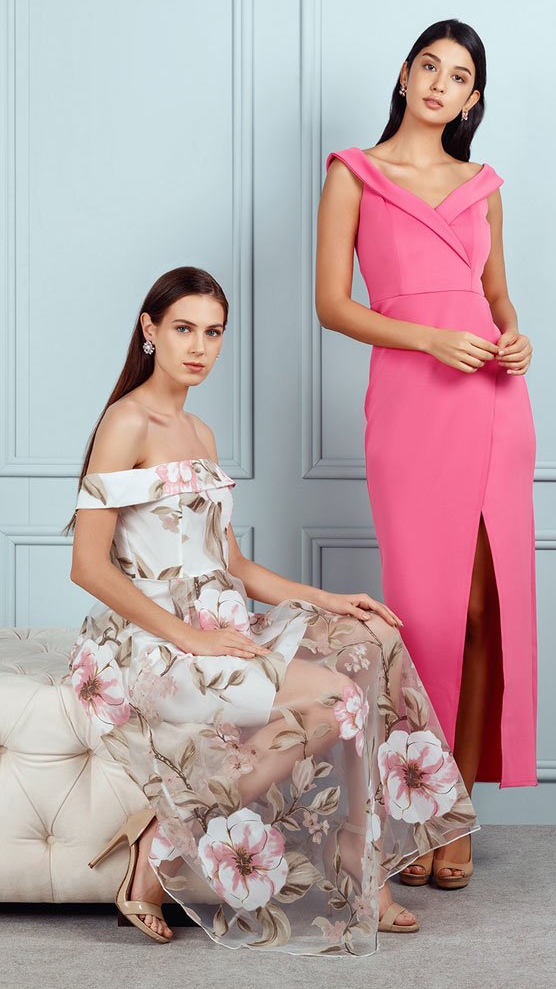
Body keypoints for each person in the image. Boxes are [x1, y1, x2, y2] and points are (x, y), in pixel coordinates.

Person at [65, 266, 477, 955]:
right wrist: (192, 640)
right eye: (183, 329)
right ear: (149, 331)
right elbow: (87, 566)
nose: (199, 347)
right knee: (341, 701)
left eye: (213, 332)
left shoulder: (200, 432)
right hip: (154, 643)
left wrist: (328, 598)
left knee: (371, 635)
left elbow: (235, 566)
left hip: (219, 625)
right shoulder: (126, 421)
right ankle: (168, 836)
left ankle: (358, 850)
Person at [314, 19, 538, 891]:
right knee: (425, 616)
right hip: (412, 404)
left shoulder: (484, 187)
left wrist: (515, 338)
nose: (442, 84)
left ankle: (459, 813)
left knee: (483, 611)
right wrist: (428, 340)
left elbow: (498, 297)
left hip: (494, 403)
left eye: (460, 76)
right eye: (430, 66)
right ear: (404, 76)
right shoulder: (353, 173)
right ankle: (418, 809)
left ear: (473, 99)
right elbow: (334, 305)